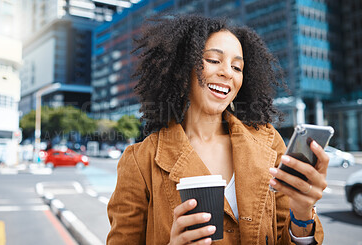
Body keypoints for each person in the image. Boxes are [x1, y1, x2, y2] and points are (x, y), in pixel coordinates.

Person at [107, 14, 328, 244]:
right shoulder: (140, 161)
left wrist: (302, 213)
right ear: (183, 70)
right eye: (213, 60)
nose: (227, 73)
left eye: (237, 67)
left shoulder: (269, 142)